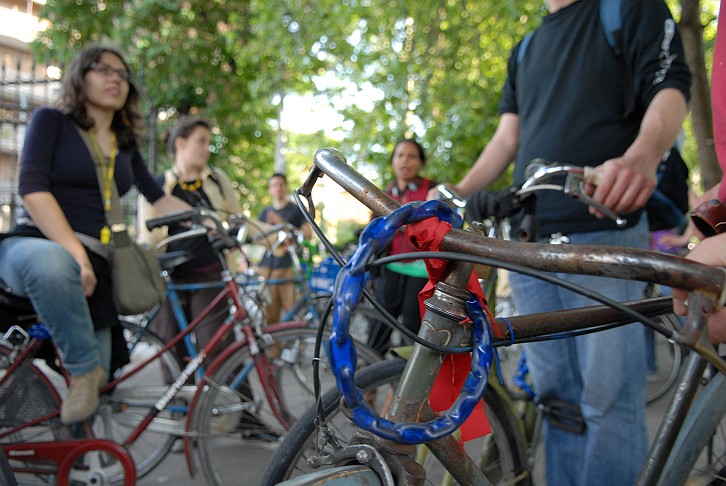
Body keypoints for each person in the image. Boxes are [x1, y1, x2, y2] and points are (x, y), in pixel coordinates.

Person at [435, 1, 691, 484]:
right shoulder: (526, 48)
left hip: (607, 240)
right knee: (556, 399)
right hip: (532, 246)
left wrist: (642, 158)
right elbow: (508, 137)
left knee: (609, 400)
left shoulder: (628, 9)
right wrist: (455, 195)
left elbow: (671, 87)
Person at [0, 45, 190, 424]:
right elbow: (33, 190)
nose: (115, 78)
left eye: (122, 74)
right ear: (80, 76)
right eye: (103, 69)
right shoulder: (50, 120)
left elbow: (159, 198)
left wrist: (221, 219)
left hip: (95, 268)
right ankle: (82, 369)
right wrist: (75, 252)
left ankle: (82, 463)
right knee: (53, 264)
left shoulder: (126, 144)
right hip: (35, 245)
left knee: (96, 394)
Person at [137, 117, 240, 362]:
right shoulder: (158, 186)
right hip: (169, 281)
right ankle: (182, 401)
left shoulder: (217, 180)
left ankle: (231, 400)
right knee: (171, 353)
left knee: (219, 349)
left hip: (210, 276)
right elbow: (147, 239)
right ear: (181, 143)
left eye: (209, 142)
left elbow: (237, 220)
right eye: (201, 141)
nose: (207, 148)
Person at [367, 138, 435, 355]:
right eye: (400, 155)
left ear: (421, 162)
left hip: (421, 269)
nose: (405, 161)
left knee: (412, 328)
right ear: (393, 161)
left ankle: (403, 384)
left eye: (411, 156)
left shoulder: (432, 191)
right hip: (390, 265)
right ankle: (370, 380)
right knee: (378, 325)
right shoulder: (385, 194)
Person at [258, 173, 312, 324]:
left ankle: (296, 344)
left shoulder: (295, 210)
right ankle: (274, 347)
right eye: (274, 185)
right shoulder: (264, 213)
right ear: (270, 189)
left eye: (281, 184)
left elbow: (307, 235)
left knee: (292, 313)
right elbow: (258, 240)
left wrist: (282, 223)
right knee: (270, 315)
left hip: (289, 268)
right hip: (268, 268)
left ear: (286, 186)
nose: (278, 188)